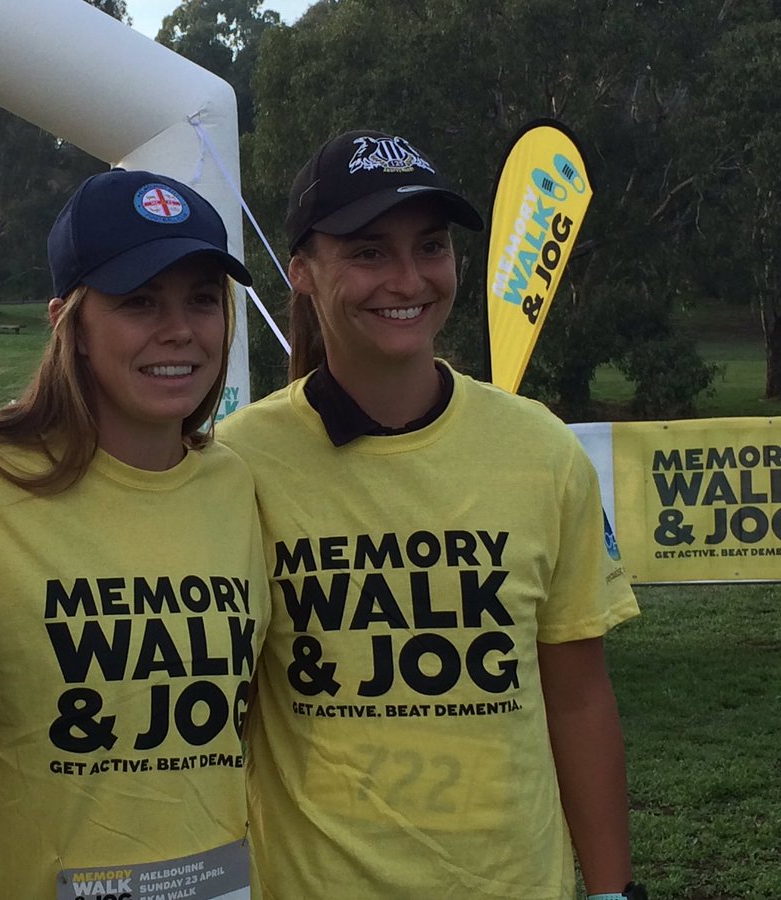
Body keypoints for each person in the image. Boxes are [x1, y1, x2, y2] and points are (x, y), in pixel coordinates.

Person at [219, 130, 647, 900]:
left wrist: (615, 892)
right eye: (370, 252)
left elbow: (579, 697)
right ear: (305, 273)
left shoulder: (540, 451)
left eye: (431, 246)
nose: (409, 278)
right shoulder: (236, 465)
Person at [0, 169, 266, 898]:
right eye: (139, 302)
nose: (180, 331)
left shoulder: (237, 484)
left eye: (202, 299)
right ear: (69, 320)